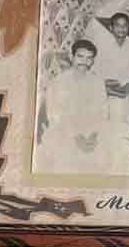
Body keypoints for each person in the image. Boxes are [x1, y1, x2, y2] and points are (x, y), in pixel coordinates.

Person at [35, 39, 107, 171]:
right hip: (64, 130)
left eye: (89, 58)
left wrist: (94, 134)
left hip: (91, 130)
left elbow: (103, 113)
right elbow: (54, 115)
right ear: (72, 57)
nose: (84, 62)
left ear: (93, 61)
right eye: (80, 56)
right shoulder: (58, 82)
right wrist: (76, 136)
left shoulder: (98, 83)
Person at [92, 13, 129, 96]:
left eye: (125, 26)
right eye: (118, 25)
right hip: (103, 87)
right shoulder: (100, 44)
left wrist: (121, 84)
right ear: (111, 27)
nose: (121, 29)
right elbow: (94, 69)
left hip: (126, 88)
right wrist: (103, 83)